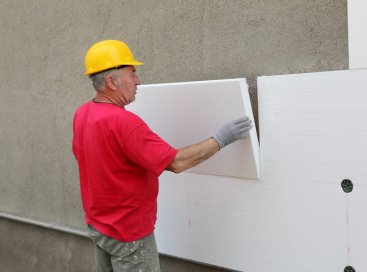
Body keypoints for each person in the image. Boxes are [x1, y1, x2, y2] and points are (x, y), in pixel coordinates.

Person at [72, 39, 253, 272]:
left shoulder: (82, 113)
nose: (138, 81)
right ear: (111, 81)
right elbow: (176, 162)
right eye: (132, 73)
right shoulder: (123, 122)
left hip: (100, 228)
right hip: (129, 235)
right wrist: (221, 138)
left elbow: (85, 157)